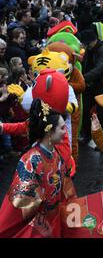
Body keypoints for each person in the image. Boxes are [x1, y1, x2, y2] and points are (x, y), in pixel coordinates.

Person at [0, 99, 76, 237]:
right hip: (39, 226)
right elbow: (20, 205)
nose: (65, 133)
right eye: (62, 128)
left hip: (55, 220)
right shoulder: (30, 161)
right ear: (48, 132)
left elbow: (66, 188)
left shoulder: (56, 154)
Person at [79, 29, 103, 145]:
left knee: (102, 113)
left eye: (86, 44)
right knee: (85, 111)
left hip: (101, 85)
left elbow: (99, 69)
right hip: (88, 85)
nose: (85, 46)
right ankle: (87, 135)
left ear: (92, 41)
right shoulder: (89, 49)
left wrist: (82, 79)